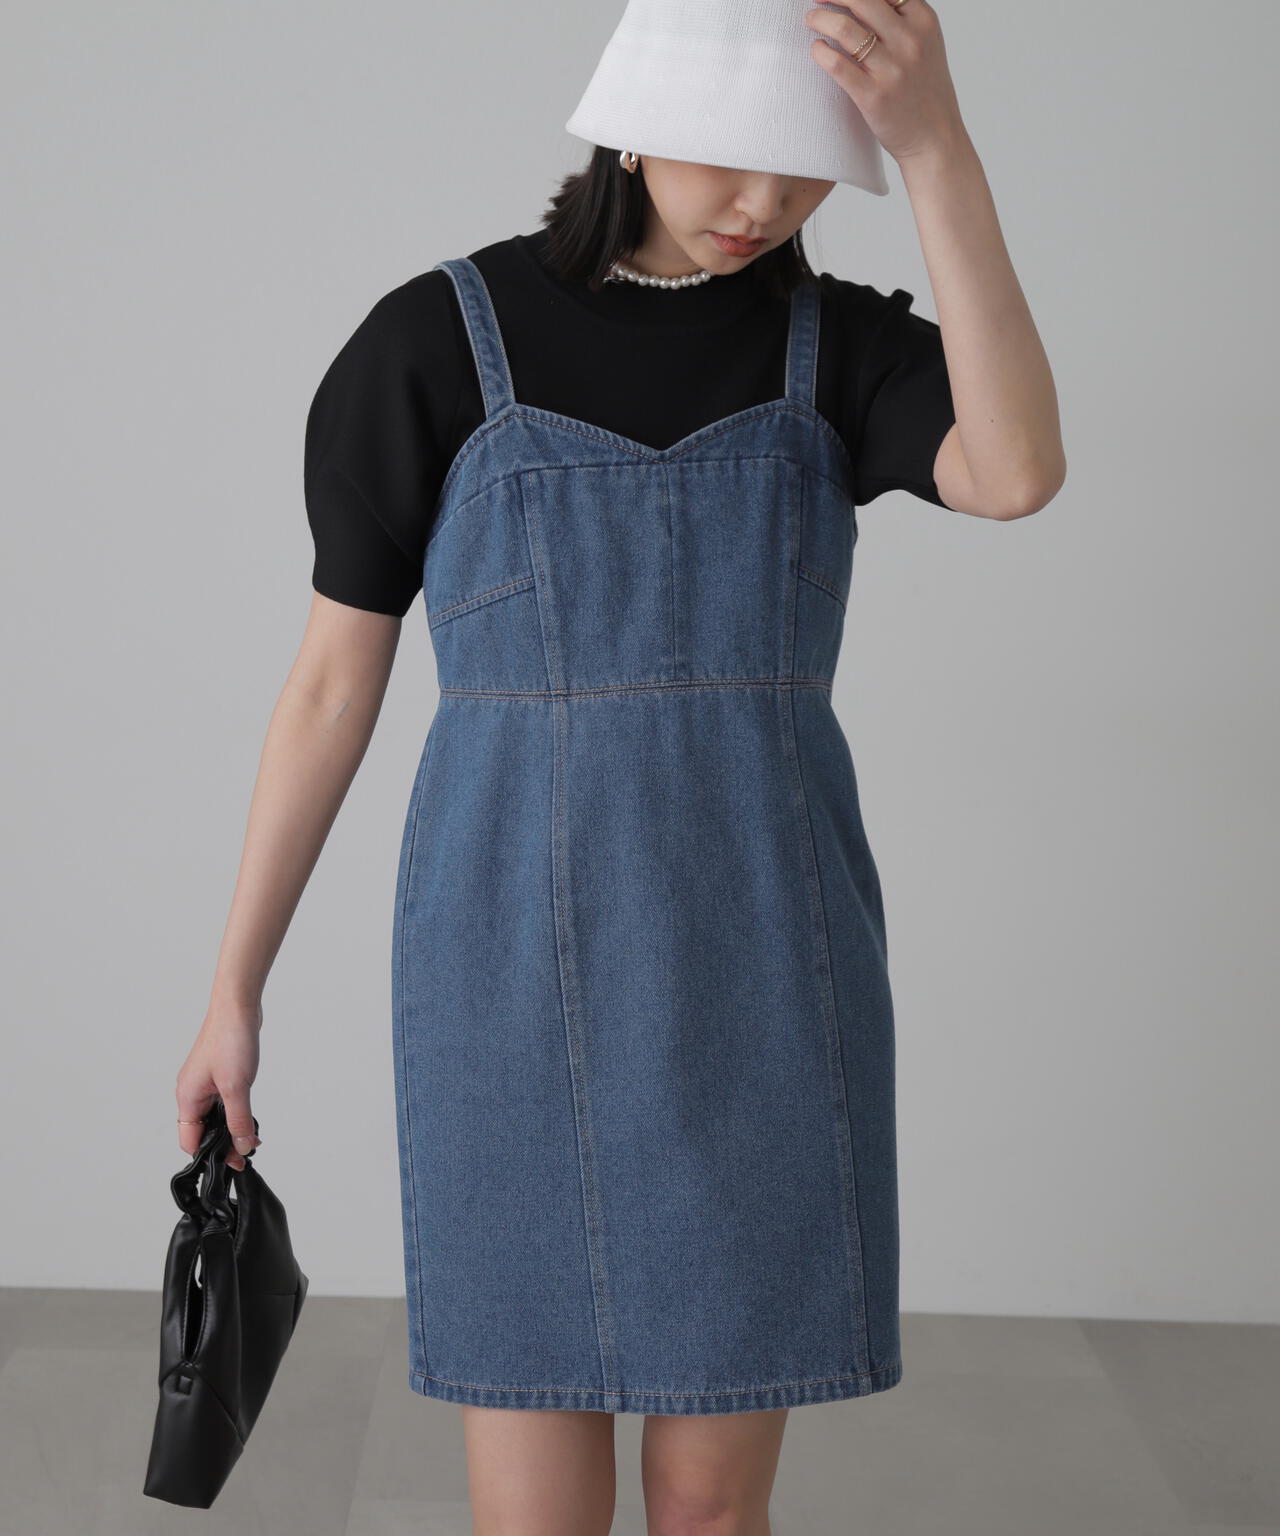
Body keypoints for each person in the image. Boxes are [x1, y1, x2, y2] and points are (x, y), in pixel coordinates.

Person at [175, 0, 1065, 1529]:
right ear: (635, 121)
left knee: (712, 1509)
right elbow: (328, 689)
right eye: (735, 154)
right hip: (508, 969)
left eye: (807, 167)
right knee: (535, 1517)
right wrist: (232, 992)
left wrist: (935, 148)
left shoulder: (839, 347)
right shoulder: (431, 343)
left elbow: (1020, 469)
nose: (763, 203)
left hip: (766, 966)